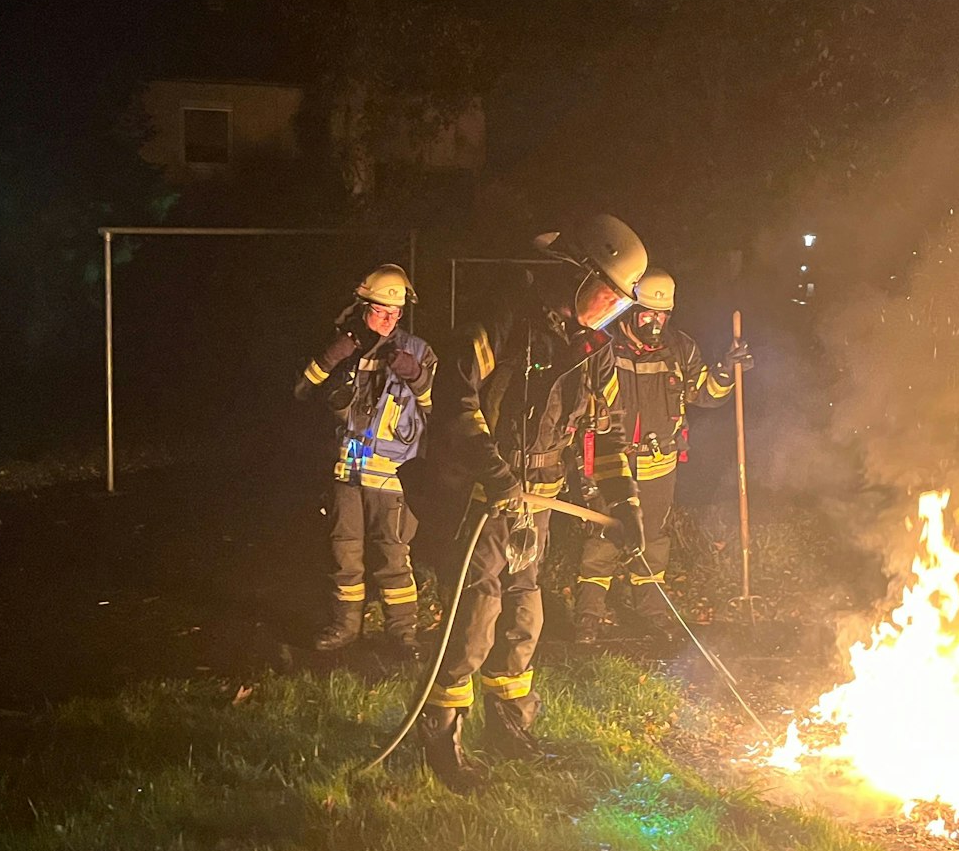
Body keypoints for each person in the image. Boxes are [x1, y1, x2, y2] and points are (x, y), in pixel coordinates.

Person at [417, 214, 648, 791]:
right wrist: (495, 475)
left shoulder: (593, 349)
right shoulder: (503, 319)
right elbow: (454, 398)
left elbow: (610, 433)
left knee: (525, 617)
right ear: (570, 274)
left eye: (614, 306)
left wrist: (627, 502)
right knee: (475, 619)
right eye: (601, 297)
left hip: (538, 504)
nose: (603, 314)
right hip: (484, 499)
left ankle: (511, 729)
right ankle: (442, 737)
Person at [573, 267, 753, 641]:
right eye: (647, 314)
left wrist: (725, 371)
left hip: (659, 462)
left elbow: (704, 394)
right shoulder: (604, 346)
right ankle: (589, 614)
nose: (654, 323)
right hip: (611, 463)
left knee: (652, 538)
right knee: (602, 535)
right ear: (629, 309)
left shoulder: (681, 348)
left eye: (662, 315)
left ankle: (652, 610)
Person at [295, 265, 437, 655]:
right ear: (362, 307)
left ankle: (403, 634)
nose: (387, 320)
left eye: (395, 313)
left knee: (393, 555)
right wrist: (331, 356)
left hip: (391, 472)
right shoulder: (346, 343)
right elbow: (303, 388)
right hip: (346, 467)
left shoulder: (418, 350)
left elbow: (434, 405)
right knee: (344, 553)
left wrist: (415, 375)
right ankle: (345, 627)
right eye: (379, 311)